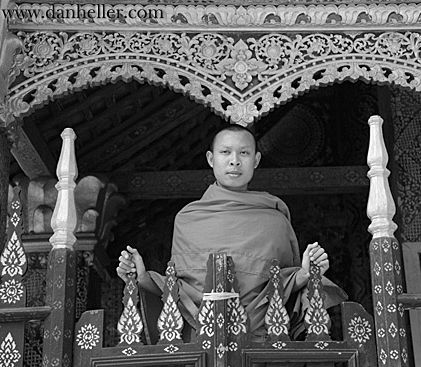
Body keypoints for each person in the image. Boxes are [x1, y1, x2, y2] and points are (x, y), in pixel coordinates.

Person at [117, 124, 347, 342]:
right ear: (211, 159)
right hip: (203, 342)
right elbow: (181, 293)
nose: (234, 161)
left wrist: (306, 273)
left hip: (264, 341)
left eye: (244, 153)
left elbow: (281, 290)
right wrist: (143, 277)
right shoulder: (188, 219)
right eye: (225, 152)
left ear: (256, 160)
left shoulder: (275, 220)